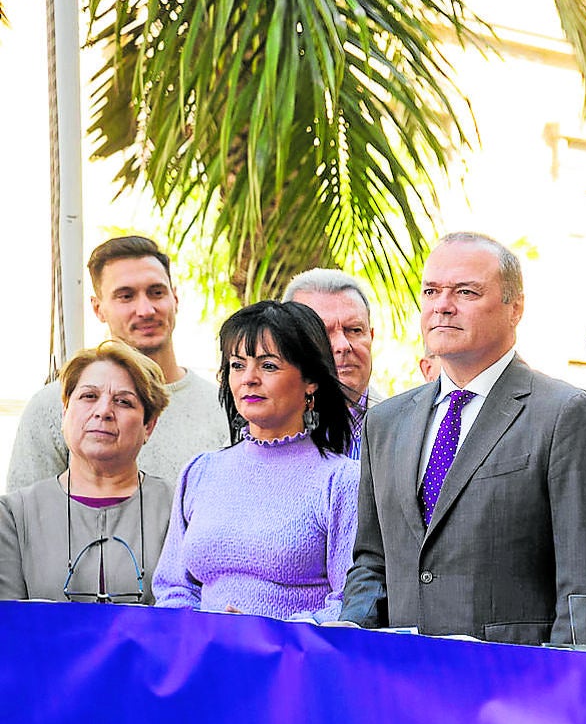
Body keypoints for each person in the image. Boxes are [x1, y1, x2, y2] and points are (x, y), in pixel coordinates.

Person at [340, 232, 586, 644]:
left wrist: (562, 691)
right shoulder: (385, 422)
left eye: (465, 291)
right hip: (401, 682)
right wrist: (352, 636)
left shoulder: (568, 415)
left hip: (513, 686)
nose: (442, 304)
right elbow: (372, 561)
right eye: (431, 291)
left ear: (516, 307)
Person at [153, 301, 359, 622]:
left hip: (293, 665)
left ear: (310, 381)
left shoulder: (341, 480)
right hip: (203, 661)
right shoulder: (200, 472)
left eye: (268, 366)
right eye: (237, 365)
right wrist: (204, 631)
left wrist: (266, 635)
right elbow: (172, 587)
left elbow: (350, 600)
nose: (249, 378)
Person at [8, 236, 227, 492]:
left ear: (175, 298)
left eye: (156, 292)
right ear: (98, 308)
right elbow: (23, 522)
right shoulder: (53, 407)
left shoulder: (222, 408)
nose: (145, 310)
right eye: (126, 296)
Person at [0, 341, 172, 602]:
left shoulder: (177, 510)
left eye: (123, 402)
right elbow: (9, 625)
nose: (103, 411)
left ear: (149, 425)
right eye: (89, 396)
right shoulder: (14, 515)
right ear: (65, 411)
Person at [284, 268, 381, 459]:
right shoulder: (254, 434)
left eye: (354, 330)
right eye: (323, 334)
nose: (343, 346)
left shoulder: (409, 431)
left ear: (371, 336)